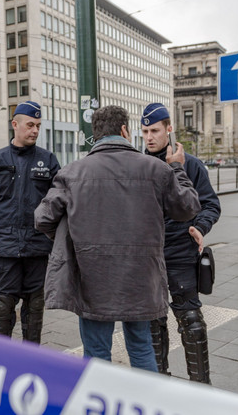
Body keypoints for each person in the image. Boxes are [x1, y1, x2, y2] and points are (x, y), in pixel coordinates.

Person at [34, 105, 200, 371]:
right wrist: (178, 168)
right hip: (141, 279)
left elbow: (42, 218)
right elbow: (188, 207)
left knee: (97, 354)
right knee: (141, 348)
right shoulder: (156, 169)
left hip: (92, 279)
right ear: (124, 130)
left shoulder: (72, 173)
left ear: (95, 134)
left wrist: (74, 238)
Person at [141, 103, 221, 384]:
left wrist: (200, 227)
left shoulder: (192, 165)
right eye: (145, 131)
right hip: (148, 257)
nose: (149, 137)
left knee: (192, 322)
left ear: (169, 129)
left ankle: (201, 386)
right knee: (152, 323)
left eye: (155, 131)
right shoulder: (139, 165)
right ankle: (160, 383)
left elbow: (210, 205)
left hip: (180, 255)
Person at [0, 101, 60, 343]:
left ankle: (30, 359)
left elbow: (60, 205)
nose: (34, 130)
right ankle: (0, 358)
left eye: (38, 126)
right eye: (30, 125)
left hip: (38, 250)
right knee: (2, 309)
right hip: (7, 251)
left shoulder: (49, 160)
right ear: (15, 125)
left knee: (35, 311)